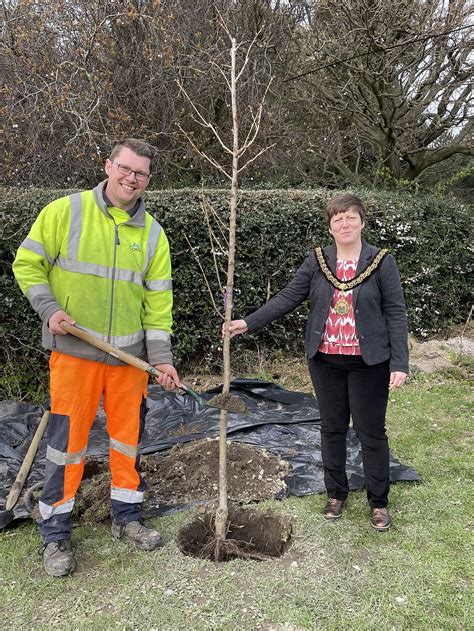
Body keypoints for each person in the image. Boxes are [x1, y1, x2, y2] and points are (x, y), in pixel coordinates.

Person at [13, 138, 181, 576]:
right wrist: (49, 309)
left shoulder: (153, 235)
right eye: (125, 168)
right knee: (67, 447)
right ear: (108, 166)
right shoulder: (64, 212)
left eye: (141, 173)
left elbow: (158, 305)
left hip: (129, 363)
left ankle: (126, 518)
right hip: (74, 356)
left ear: (148, 179)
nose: (132, 178)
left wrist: (160, 357)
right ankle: (55, 533)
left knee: (128, 443)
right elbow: (26, 264)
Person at [227, 193, 408, 531]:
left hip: (369, 363)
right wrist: (248, 322)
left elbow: (395, 312)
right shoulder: (318, 261)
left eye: (351, 217)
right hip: (325, 361)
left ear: (362, 222)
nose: (345, 223)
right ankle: (336, 493)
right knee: (332, 428)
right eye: (338, 218)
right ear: (330, 226)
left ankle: (379, 503)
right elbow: (288, 297)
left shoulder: (382, 261)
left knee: (371, 432)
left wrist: (400, 362)